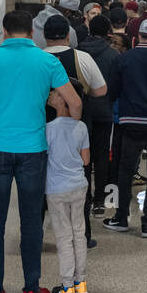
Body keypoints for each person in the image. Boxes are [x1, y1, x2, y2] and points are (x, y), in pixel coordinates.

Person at [0, 10, 84, 293]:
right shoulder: (48, 62)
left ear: (4, 32)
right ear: (32, 32)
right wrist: (70, 134)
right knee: (31, 221)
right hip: (33, 149)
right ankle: (31, 290)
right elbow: (75, 103)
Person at [42, 14, 108, 246]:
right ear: (68, 36)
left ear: (43, 36)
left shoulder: (36, 58)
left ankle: (35, 236)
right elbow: (101, 91)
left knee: (40, 179)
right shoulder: (82, 58)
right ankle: (84, 235)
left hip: (41, 128)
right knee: (80, 178)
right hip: (75, 129)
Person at [105, 18, 147, 238]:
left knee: (126, 170)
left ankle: (121, 217)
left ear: (137, 37)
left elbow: (112, 91)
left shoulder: (124, 59)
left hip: (131, 122)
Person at [45, 90, 91, 293]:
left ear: (64, 100)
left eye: (55, 94)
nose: (51, 96)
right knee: (79, 233)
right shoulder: (81, 127)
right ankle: (81, 283)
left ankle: (66, 287)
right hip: (79, 186)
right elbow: (86, 160)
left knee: (63, 237)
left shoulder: (47, 129)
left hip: (56, 188)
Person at [79, 16, 120, 219]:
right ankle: (99, 200)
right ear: (108, 32)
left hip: (80, 112)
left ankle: (84, 198)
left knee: (82, 154)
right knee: (102, 155)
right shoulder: (113, 55)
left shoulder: (77, 53)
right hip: (105, 111)